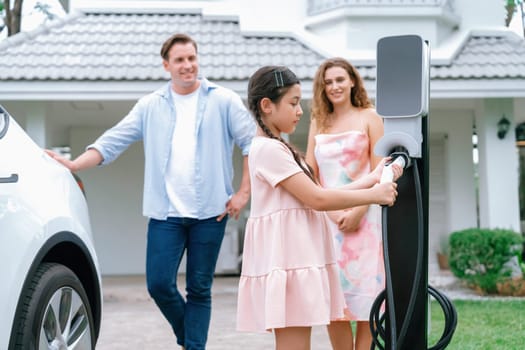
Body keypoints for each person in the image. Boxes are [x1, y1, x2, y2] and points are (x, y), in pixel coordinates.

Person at [45, 33, 256, 350]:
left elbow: (252, 143)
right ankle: (190, 337)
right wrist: (75, 164)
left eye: (192, 58)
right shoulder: (150, 105)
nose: (188, 66)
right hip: (165, 213)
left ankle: (193, 346)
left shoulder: (222, 100)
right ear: (166, 65)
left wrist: (243, 193)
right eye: (180, 60)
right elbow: (113, 141)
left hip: (212, 212)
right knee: (159, 284)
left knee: (199, 288)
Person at [236, 65, 400, 350]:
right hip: (288, 262)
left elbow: (319, 193)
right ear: (267, 105)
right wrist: (374, 194)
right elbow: (318, 199)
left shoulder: (278, 147)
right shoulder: (269, 150)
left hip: (296, 261)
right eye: (293, 103)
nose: (300, 110)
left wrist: (371, 180)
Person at [305, 57, 386, 350]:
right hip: (329, 221)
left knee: (367, 303)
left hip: (366, 221)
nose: (334, 86)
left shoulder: (370, 117)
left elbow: (381, 171)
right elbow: (310, 173)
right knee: (334, 305)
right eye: (328, 82)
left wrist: (358, 210)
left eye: (340, 79)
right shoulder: (318, 121)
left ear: (352, 81)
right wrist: (333, 211)